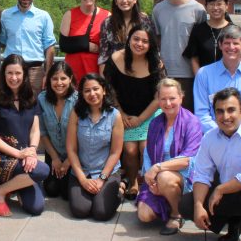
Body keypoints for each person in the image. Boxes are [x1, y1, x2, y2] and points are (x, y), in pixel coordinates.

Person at [180, 88, 241, 241]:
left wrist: (220, 189)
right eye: (220, 111)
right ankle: (234, 227)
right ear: (214, 114)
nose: (225, 116)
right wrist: (198, 205)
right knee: (187, 204)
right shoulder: (209, 138)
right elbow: (202, 174)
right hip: (228, 191)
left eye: (231, 110)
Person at [0, 54, 50, 216]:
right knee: (42, 170)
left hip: (25, 156)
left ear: (24, 75)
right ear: (3, 74)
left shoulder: (31, 98)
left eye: (18, 73)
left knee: (36, 208)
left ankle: (13, 186)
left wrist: (32, 151)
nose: (14, 78)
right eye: (9, 73)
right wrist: (19, 154)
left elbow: (35, 130)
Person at [104, 26, 165, 200]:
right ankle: (132, 183)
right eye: (136, 39)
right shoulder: (116, 58)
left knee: (145, 147)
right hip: (122, 112)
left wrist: (141, 118)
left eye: (145, 41)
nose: (139, 44)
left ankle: (149, 183)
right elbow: (109, 89)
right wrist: (121, 113)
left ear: (151, 44)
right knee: (130, 150)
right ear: (129, 39)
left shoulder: (156, 63)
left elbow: (158, 97)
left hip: (149, 113)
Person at [136, 78, 202, 236]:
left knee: (165, 178)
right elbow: (148, 152)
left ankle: (176, 214)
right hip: (157, 175)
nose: (168, 103)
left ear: (181, 97)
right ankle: (167, 198)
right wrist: (149, 177)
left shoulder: (192, 122)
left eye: (172, 98)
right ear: (158, 100)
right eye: (163, 99)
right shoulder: (155, 123)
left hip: (183, 175)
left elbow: (188, 159)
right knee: (144, 216)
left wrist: (158, 169)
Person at [66, 74, 124, 221]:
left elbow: (116, 152)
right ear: (82, 94)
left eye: (96, 89)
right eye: (87, 90)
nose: (92, 94)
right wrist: (83, 179)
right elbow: (72, 149)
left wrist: (102, 178)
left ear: (104, 90)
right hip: (82, 171)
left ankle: (120, 189)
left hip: (107, 171)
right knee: (80, 210)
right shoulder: (76, 113)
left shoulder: (114, 115)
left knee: (101, 213)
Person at [152, 0, 207, 112]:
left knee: (187, 117)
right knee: (165, 116)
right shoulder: (158, 9)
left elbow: (203, 43)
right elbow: (157, 38)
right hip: (165, 73)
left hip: (189, 73)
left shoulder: (198, 10)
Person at [193, 25, 241, 135]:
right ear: (220, 45)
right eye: (227, 43)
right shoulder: (204, 75)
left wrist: (238, 135)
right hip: (214, 138)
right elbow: (201, 114)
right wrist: (221, 134)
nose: (231, 47)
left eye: (236, 43)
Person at [0, 0, 56, 94]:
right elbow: (3, 41)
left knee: (34, 107)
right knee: (10, 106)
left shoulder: (44, 17)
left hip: (35, 72)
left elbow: (50, 47)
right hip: (11, 71)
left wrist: (47, 73)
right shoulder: (5, 15)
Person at [37, 61, 79, 199]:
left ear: (70, 79)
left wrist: (68, 160)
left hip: (74, 153)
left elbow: (82, 135)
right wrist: (54, 158)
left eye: (63, 78)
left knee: (67, 195)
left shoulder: (78, 100)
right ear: (49, 80)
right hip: (53, 151)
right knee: (51, 190)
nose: (59, 82)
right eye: (55, 78)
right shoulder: (42, 99)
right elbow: (42, 132)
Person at [59, 0, 110, 82]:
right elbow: (63, 45)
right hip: (72, 73)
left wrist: (78, 43)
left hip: (95, 73)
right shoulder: (69, 15)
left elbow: (110, 47)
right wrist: (87, 45)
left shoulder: (107, 16)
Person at [98, 0, 154, 71]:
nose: (124, 1)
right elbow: (103, 55)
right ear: (116, 1)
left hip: (140, 70)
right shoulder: (107, 23)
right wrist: (103, 80)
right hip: (115, 71)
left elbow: (152, 48)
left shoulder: (144, 20)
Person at [183, 0, 234, 75]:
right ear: (206, 6)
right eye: (211, 4)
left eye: (219, 4)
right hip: (205, 79)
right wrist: (200, 79)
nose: (215, 8)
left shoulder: (234, 30)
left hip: (229, 80)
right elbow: (194, 58)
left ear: (226, 6)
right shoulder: (198, 30)